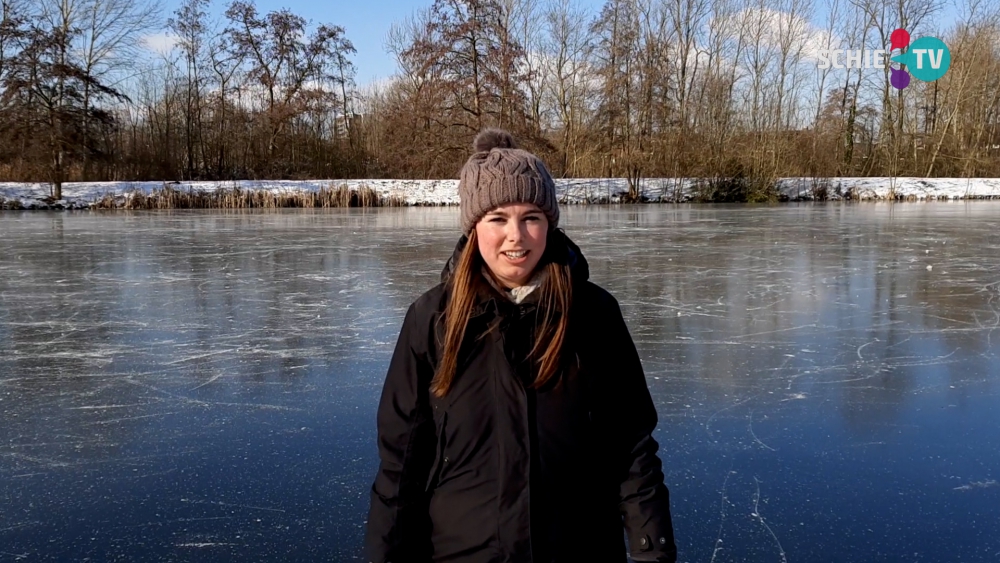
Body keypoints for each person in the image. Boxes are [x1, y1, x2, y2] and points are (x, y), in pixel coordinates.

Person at [365, 128, 676, 563]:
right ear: (474, 228)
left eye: (531, 216)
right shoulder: (431, 319)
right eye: (497, 219)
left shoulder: (594, 314)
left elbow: (631, 450)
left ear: (549, 223)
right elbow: (401, 466)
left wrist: (652, 553)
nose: (516, 236)